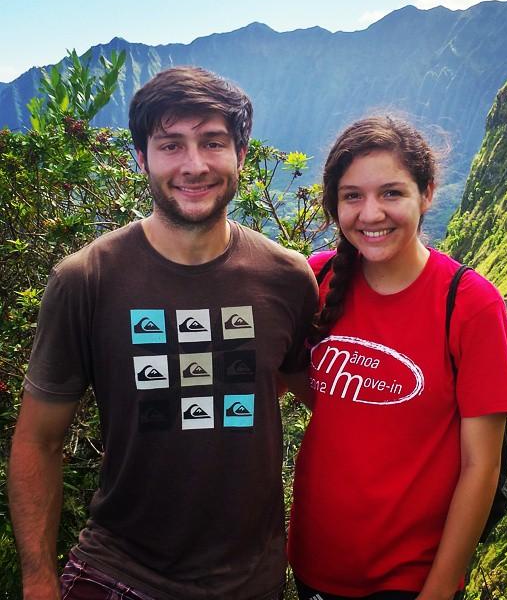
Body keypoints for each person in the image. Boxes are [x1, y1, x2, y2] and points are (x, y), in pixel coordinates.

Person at [8, 66, 318, 600]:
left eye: (213, 142)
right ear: (141, 159)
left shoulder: (287, 277)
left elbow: (298, 387)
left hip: (252, 581)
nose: (193, 165)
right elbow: (39, 438)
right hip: (121, 572)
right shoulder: (88, 279)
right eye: (171, 144)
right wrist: (38, 579)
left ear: (241, 156)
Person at [287, 116, 507, 600]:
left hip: (408, 577)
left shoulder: (469, 304)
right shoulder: (318, 278)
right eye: (352, 196)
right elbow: (304, 387)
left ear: (427, 193)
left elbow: (482, 466)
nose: (370, 213)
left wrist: (437, 591)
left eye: (392, 193)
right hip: (314, 559)